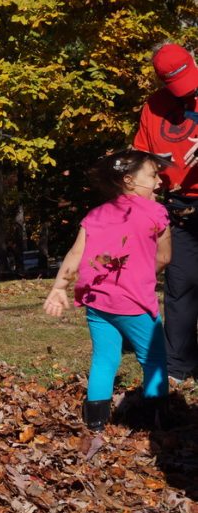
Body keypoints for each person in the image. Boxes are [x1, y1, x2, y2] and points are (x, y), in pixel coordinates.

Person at [44, 149, 171, 430]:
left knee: (104, 358)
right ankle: (154, 424)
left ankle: (96, 424)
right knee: (154, 359)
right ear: (129, 180)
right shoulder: (156, 212)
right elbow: (164, 257)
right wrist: (139, 277)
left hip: (98, 303)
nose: (159, 182)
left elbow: (76, 254)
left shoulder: (96, 214)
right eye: (153, 175)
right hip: (135, 304)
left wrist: (59, 287)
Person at [133, 43, 198, 382]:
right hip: (179, 209)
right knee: (181, 285)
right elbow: (141, 156)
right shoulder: (153, 108)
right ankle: (179, 366)